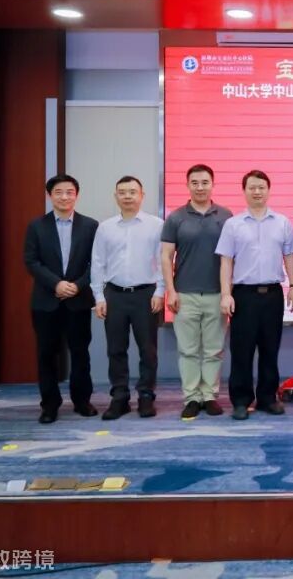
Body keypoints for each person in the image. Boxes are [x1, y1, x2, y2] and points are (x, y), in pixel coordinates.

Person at [215, 170, 293, 420]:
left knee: (270, 349)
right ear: (244, 191)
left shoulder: (282, 222)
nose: (257, 191)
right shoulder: (233, 224)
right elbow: (226, 262)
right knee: (242, 350)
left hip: (273, 295)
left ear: (268, 190)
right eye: (252, 187)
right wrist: (226, 294)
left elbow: (289, 256)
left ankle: (267, 398)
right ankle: (241, 400)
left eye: (261, 187)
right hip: (244, 295)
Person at [22, 174, 100, 424]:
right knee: (46, 354)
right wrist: (56, 283)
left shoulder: (91, 226)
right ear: (49, 196)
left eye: (69, 192)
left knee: (80, 353)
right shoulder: (36, 226)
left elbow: (96, 263)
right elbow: (31, 261)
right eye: (58, 192)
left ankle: (82, 401)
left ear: (77, 195)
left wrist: (77, 285)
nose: (64, 197)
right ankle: (49, 405)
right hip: (46, 301)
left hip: (78, 300)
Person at [161, 164, 233, 419]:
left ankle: (209, 396)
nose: (200, 187)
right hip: (185, 295)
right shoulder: (176, 218)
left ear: (212, 184)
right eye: (195, 183)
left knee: (214, 350)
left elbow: (231, 258)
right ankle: (192, 397)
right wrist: (170, 290)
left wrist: (227, 292)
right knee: (188, 350)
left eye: (204, 182)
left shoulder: (226, 216)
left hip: (216, 294)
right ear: (187, 185)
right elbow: (166, 256)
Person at [91, 176, 165, 420]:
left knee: (148, 350)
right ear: (116, 197)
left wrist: (160, 291)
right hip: (115, 295)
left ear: (142, 195)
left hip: (146, 295)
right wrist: (99, 296)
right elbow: (98, 263)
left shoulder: (156, 225)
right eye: (122, 192)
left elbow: (163, 261)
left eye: (132, 191)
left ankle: (146, 395)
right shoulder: (106, 227)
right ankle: (119, 397)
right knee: (116, 349)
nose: (127, 196)